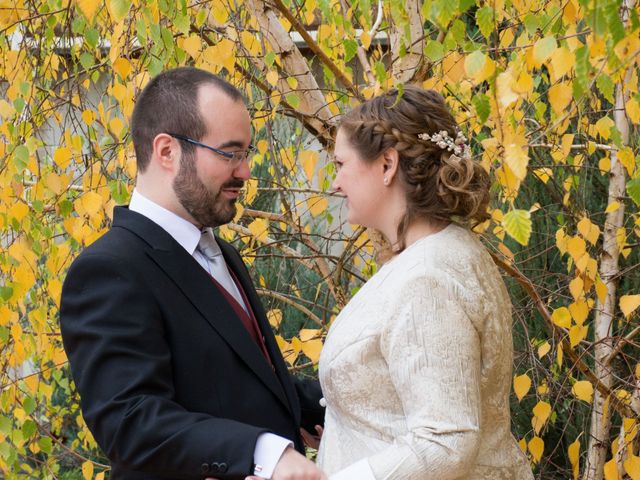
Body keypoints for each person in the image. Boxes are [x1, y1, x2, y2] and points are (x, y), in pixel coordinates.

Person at [59, 67, 325, 480]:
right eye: (229, 153)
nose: (245, 172)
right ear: (167, 151)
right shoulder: (108, 269)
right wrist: (262, 452)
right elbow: (131, 421)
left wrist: (334, 400)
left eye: (246, 154)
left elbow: (233, 379)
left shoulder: (223, 253)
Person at [315, 86, 534, 479]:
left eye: (341, 165)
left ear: (386, 165)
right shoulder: (434, 256)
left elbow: (445, 442)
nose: (336, 183)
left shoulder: (428, 277)